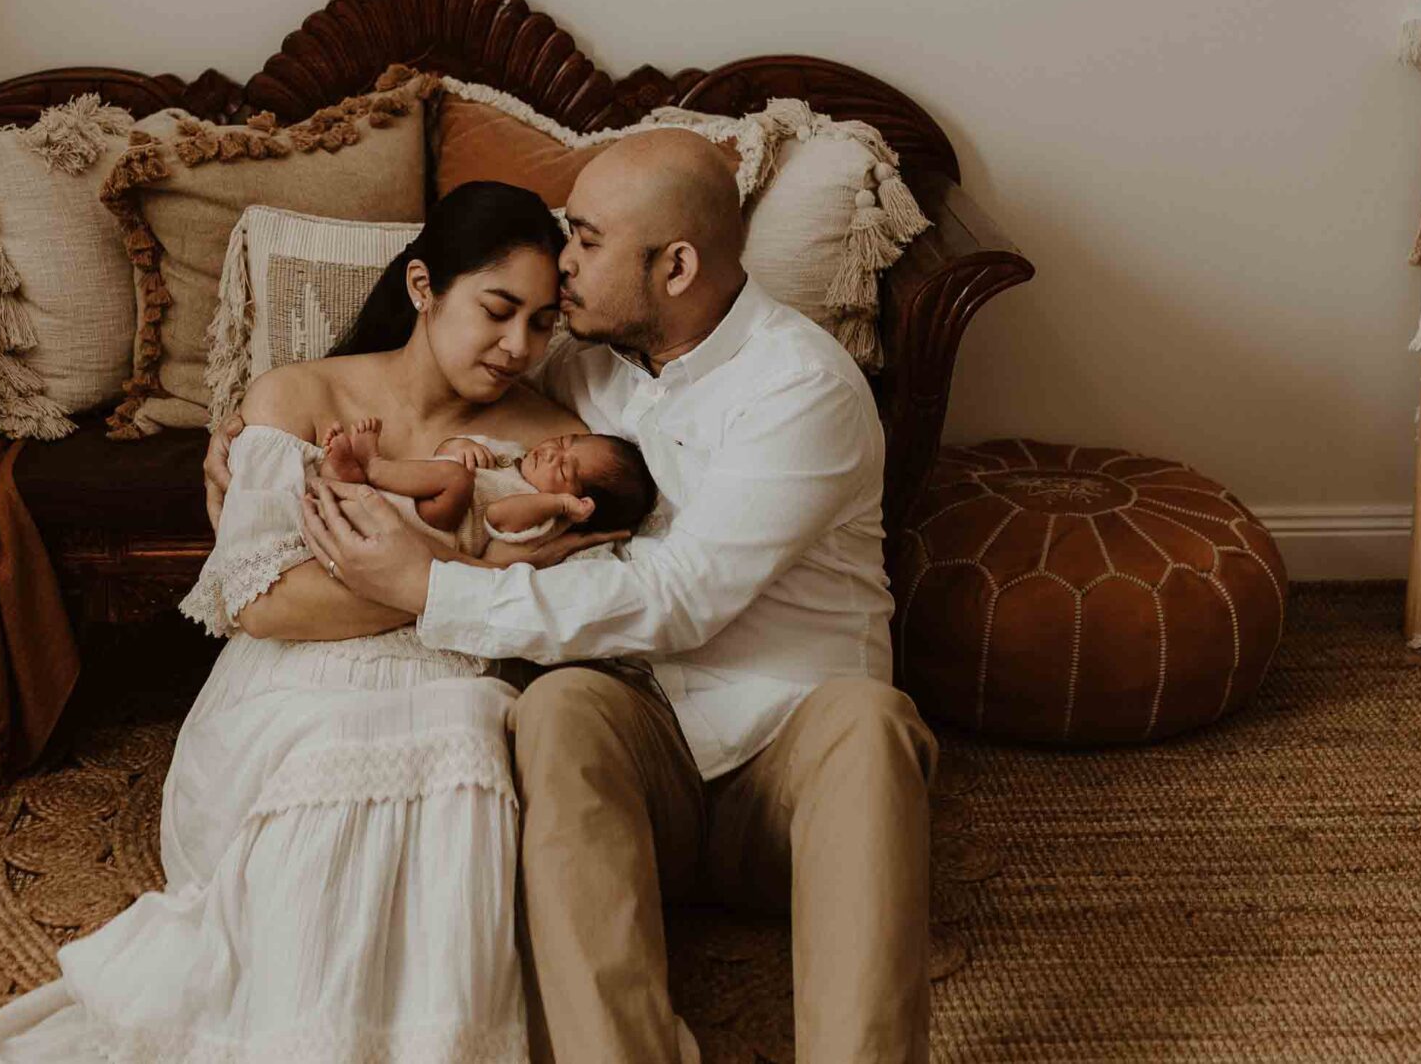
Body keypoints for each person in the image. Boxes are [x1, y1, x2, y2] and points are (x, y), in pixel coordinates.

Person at [295, 130, 942, 1063]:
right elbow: (431, 380)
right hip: (645, 764)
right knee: (558, 705)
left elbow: (679, 597)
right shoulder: (582, 360)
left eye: (589, 241)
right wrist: (258, 423)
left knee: (873, 722)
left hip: (787, 768)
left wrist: (430, 587)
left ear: (675, 266)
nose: (564, 265)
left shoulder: (803, 389)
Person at [0, 182, 615, 1064]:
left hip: (454, 677)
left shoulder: (554, 438)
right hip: (289, 684)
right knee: (334, 758)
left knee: (463, 735)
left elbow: (570, 594)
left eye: (544, 324)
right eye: (498, 310)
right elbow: (263, 603)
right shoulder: (299, 398)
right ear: (424, 287)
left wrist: (391, 573)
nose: (518, 347)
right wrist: (469, 576)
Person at [316, 414, 660, 551]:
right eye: (565, 441)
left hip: (443, 528)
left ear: (579, 505)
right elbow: (442, 453)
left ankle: (374, 466)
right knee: (451, 468)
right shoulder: (512, 455)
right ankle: (350, 476)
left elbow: (498, 517)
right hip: (415, 497)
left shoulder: (546, 516)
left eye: (567, 470)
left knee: (456, 477)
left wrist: (557, 506)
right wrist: (459, 446)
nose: (554, 453)